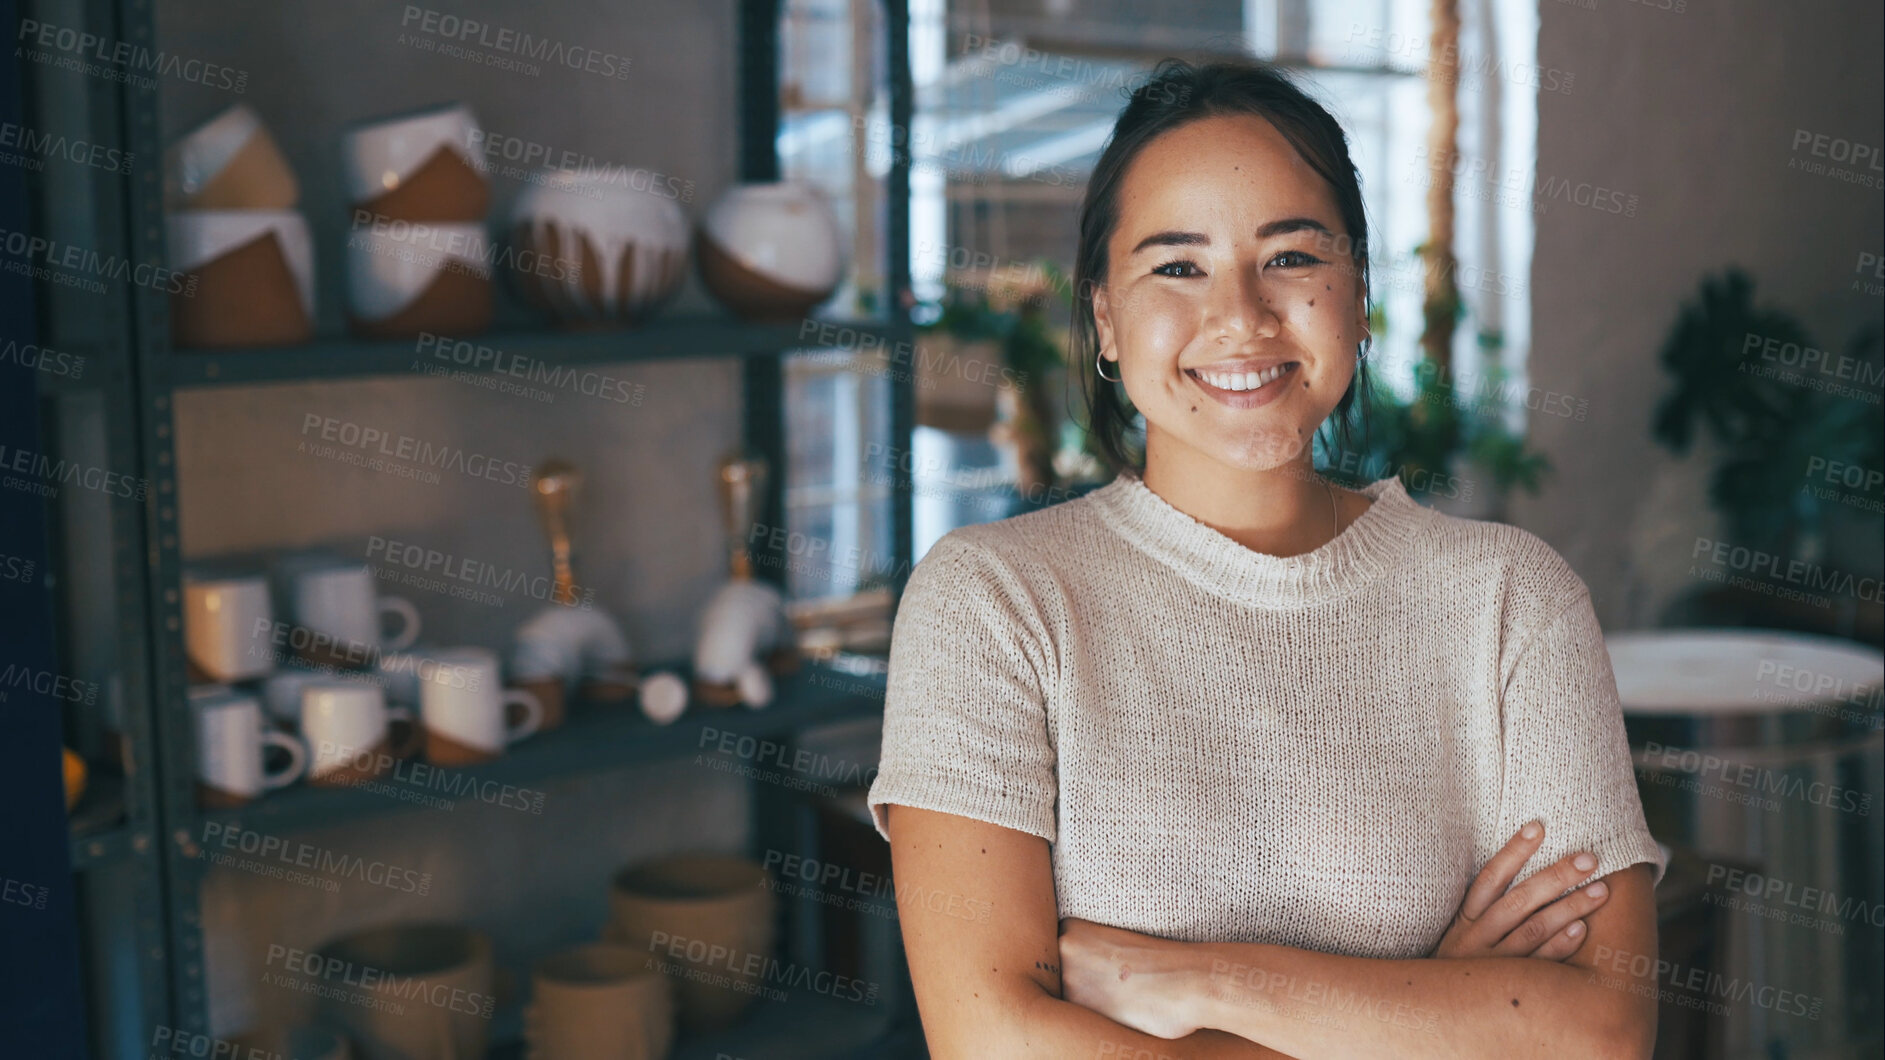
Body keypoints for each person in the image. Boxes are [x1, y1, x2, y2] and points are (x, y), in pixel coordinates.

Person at [866, 58, 1665, 1058]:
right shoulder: (993, 602)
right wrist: (1436, 1005)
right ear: (1105, 316)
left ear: (1358, 294)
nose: (1240, 316)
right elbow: (992, 1043)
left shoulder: (1511, 600)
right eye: (1177, 265)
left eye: (1289, 257)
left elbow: (1601, 1031)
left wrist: (1206, 983)